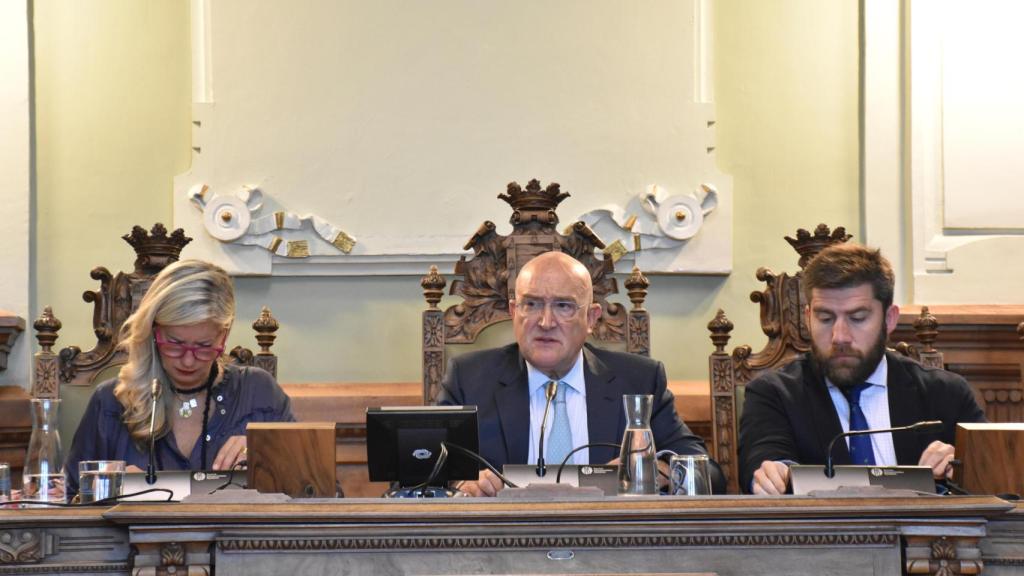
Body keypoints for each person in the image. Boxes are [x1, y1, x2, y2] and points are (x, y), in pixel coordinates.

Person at [438, 251, 722, 496]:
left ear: (591, 318)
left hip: (611, 543)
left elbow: (707, 472)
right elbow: (420, 471)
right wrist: (462, 483)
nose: (546, 322)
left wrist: (654, 470)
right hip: (500, 545)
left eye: (563, 306)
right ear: (514, 312)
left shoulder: (638, 380)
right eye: (532, 304)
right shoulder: (470, 378)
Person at [739, 243, 986, 495]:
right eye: (825, 318)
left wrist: (965, 468)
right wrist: (773, 474)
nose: (840, 337)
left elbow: (995, 482)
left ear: (889, 319)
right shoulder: (774, 393)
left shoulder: (945, 393)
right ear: (807, 317)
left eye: (857, 318)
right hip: (820, 534)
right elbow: (764, 457)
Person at [64, 259, 294, 497]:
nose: (187, 361)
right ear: (153, 331)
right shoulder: (110, 402)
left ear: (223, 336)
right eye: (174, 343)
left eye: (204, 346)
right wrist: (108, 489)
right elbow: (69, 500)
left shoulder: (259, 393)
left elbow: (313, 492)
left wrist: (266, 456)